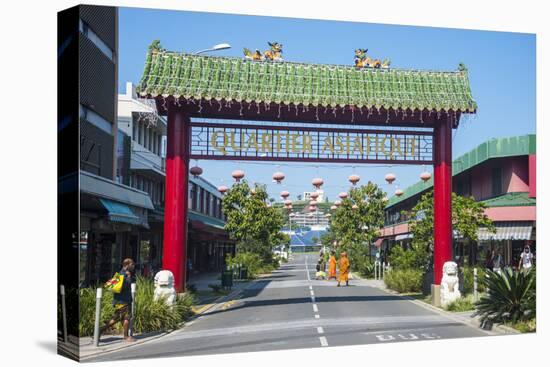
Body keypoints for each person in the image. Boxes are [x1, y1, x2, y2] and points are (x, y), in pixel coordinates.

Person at [102, 258, 137, 342]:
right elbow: (125, 286)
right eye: (132, 265)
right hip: (124, 300)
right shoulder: (124, 275)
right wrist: (128, 277)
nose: (133, 266)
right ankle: (126, 337)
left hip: (118, 300)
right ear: (126, 265)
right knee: (126, 318)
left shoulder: (118, 274)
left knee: (116, 318)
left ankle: (99, 330)